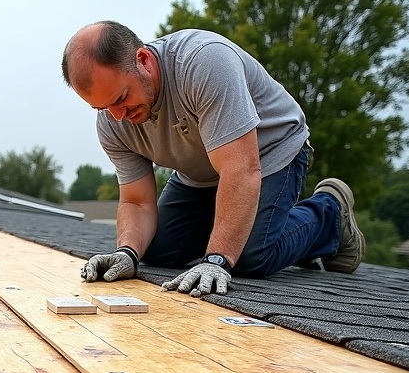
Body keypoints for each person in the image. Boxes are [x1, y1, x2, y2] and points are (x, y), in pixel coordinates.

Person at [61, 21, 365, 296]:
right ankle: (272, 231)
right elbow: (137, 201)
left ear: (143, 60)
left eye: (121, 98)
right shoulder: (112, 122)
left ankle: (329, 214)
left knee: (248, 257)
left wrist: (217, 259)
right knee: (155, 251)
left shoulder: (203, 62)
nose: (118, 116)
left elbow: (241, 169)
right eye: (102, 108)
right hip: (203, 174)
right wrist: (126, 252)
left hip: (269, 154)